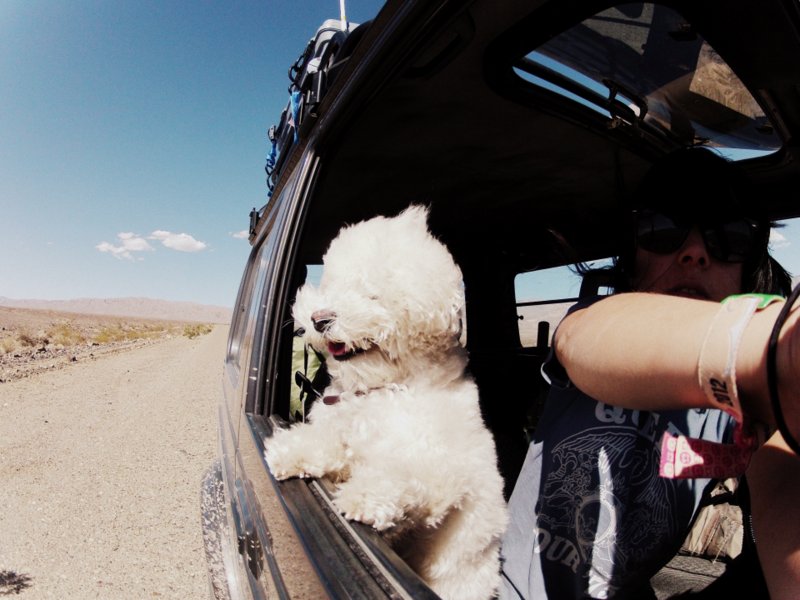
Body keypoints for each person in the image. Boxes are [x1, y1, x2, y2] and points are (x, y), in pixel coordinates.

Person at [499, 147, 800, 599]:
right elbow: (583, 338)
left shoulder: (747, 406)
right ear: (633, 252)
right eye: (663, 231)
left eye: (729, 237)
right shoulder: (596, 320)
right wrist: (776, 354)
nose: (695, 252)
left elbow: (784, 490)